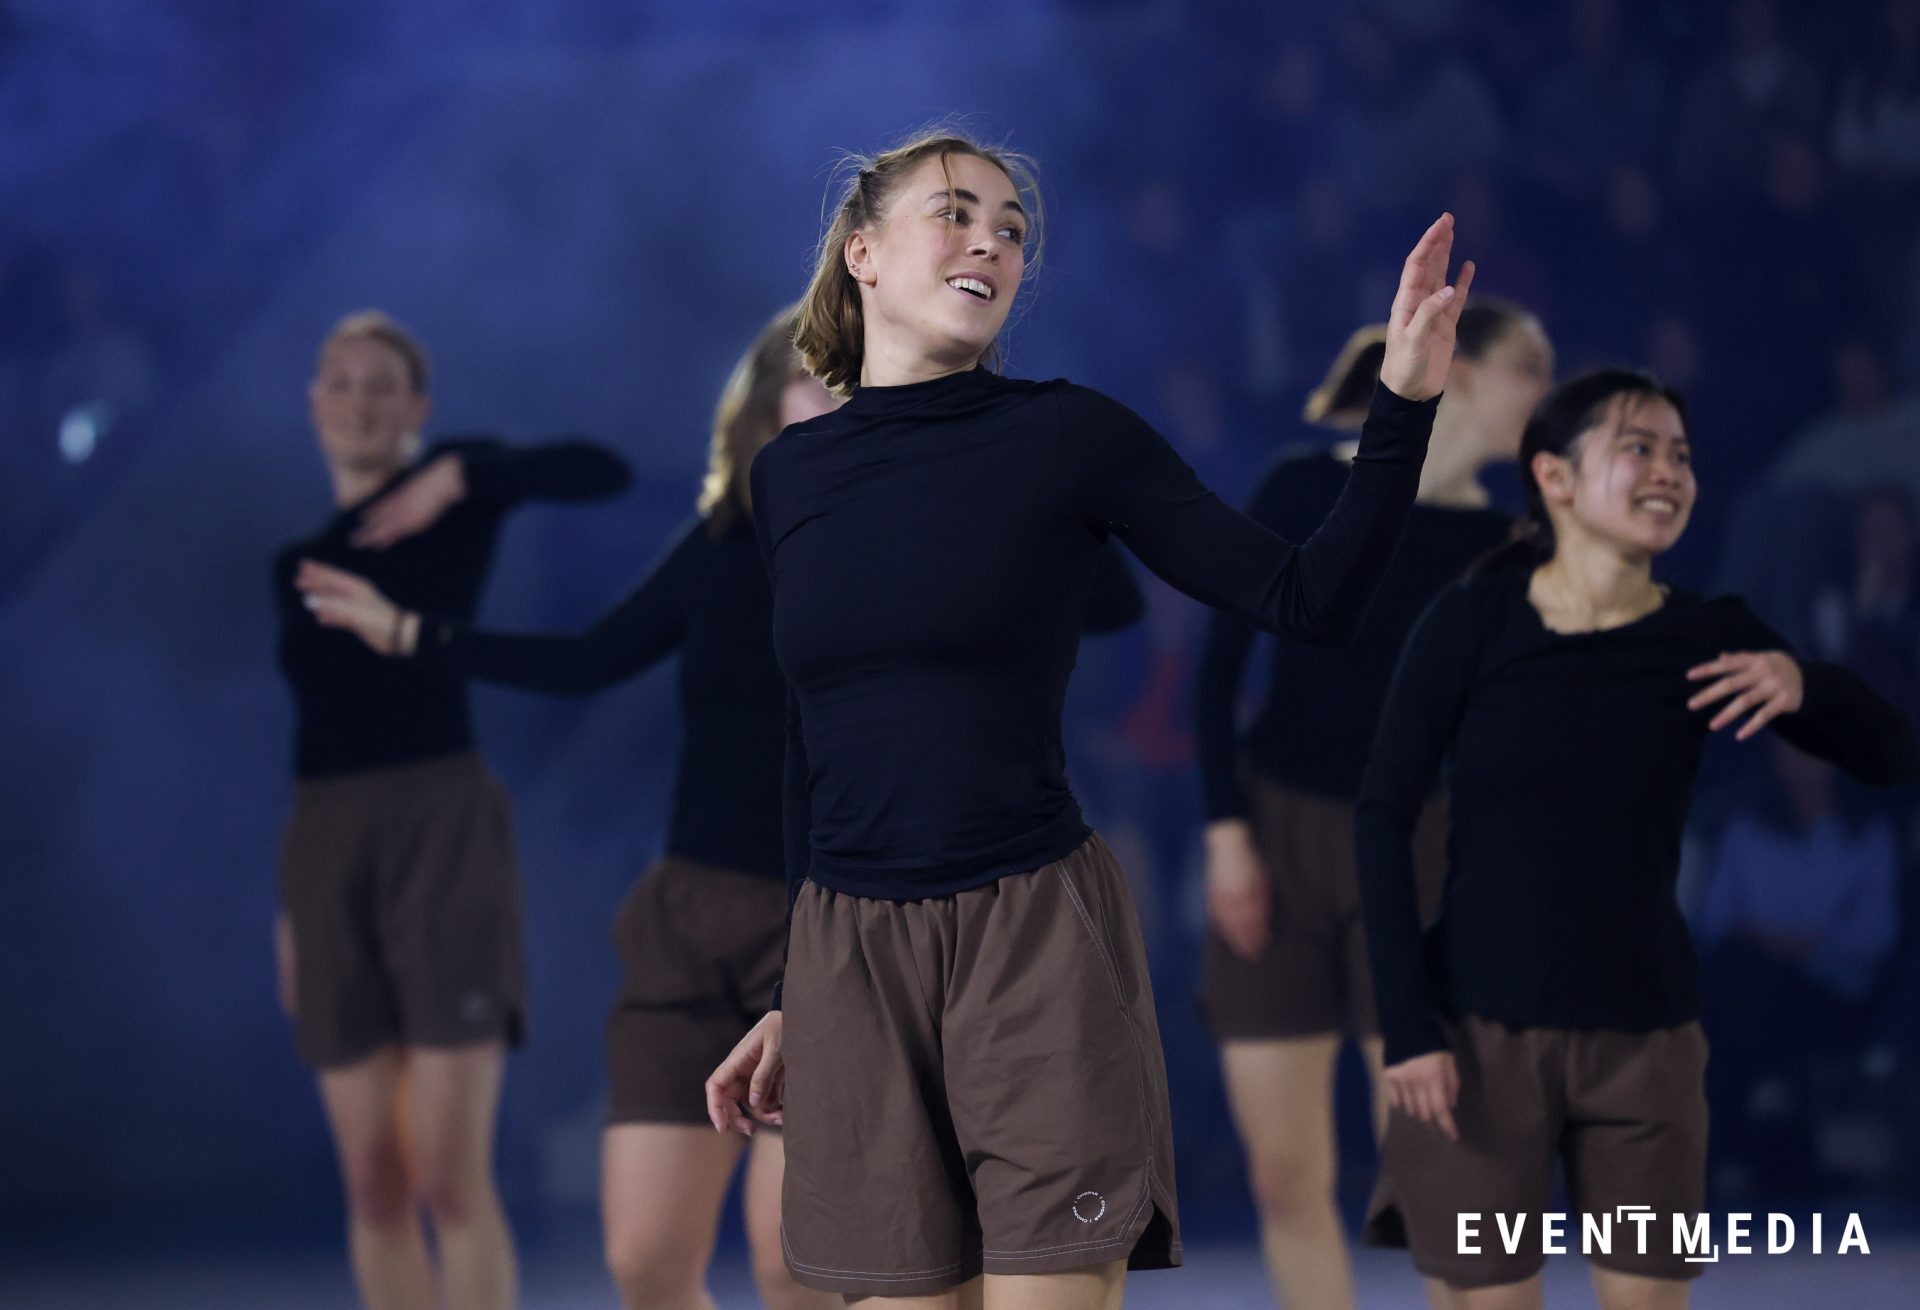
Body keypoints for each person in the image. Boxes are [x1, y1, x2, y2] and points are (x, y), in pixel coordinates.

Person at [702, 128, 1475, 1309]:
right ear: (862, 252)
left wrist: (1403, 403)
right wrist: (792, 990)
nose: (992, 242)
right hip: (851, 955)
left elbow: (1306, 599)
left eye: (1011, 229)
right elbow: (813, 738)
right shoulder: (789, 477)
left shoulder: (1068, 435)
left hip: (1030, 932)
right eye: (957, 213)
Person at [299, 308, 1142, 1310]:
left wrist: (992, 460)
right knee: (644, 1260)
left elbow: (1113, 603)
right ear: (767, 409)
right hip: (692, 919)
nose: (842, 406)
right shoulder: (721, 544)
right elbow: (587, 658)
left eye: (862, 389)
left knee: (796, 1264)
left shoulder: (925, 536)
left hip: (841, 921)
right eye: (821, 384)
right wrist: (412, 631)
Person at [1356, 368, 1919, 1308]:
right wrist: (1409, 1027)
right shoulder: (1473, 621)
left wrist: (1805, 685)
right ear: (1555, 477)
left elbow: (1893, 752)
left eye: (1681, 456)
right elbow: (1381, 815)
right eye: (1640, 449)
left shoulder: (1704, 635)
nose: (1669, 472)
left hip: (1646, 1039)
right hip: (1479, 1034)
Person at [1193, 300, 1551, 1310]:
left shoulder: (1504, 539)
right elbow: (1219, 670)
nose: (1546, 393)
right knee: (1284, 1173)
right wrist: (1227, 835)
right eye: (1531, 368)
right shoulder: (1304, 484)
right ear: (1463, 371)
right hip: (1278, 833)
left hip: (1419, 845)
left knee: (1435, 1164)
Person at [273, 310, 630, 1310]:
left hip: (441, 824)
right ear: (315, 403)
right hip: (325, 838)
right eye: (342, 383)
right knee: (374, 1182)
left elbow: (601, 470)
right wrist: (293, 903)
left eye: (381, 385)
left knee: (445, 1173)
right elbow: (314, 733)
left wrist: (458, 476)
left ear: (415, 409)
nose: (359, 402)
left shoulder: (452, 495)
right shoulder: (294, 565)